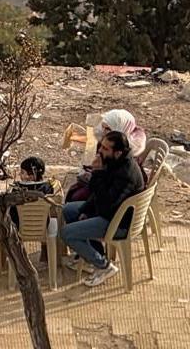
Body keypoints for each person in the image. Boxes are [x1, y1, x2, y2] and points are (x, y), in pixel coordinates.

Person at [61, 131, 146, 287]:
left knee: (67, 233)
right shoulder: (116, 162)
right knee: (68, 210)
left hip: (118, 222)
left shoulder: (125, 174)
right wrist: (86, 210)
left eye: (106, 149)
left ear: (118, 152)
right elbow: (97, 194)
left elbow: (107, 205)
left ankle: (104, 266)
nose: (100, 151)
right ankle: (92, 254)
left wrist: (98, 173)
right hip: (111, 212)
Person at [66, 109, 149, 202]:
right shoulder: (107, 141)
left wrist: (96, 173)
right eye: (103, 128)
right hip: (105, 185)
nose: (104, 132)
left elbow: (108, 197)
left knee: (75, 197)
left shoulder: (125, 153)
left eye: (108, 129)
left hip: (115, 196)